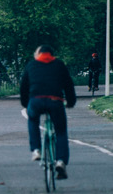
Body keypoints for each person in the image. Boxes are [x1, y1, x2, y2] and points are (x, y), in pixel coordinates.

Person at [19, 42, 77, 179]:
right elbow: (68, 84)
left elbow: (23, 86)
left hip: (36, 100)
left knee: (32, 120)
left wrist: (25, 104)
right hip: (55, 101)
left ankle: (36, 149)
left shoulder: (31, 65)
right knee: (61, 131)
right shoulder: (59, 64)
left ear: (38, 54)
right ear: (52, 54)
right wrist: (71, 101)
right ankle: (61, 161)